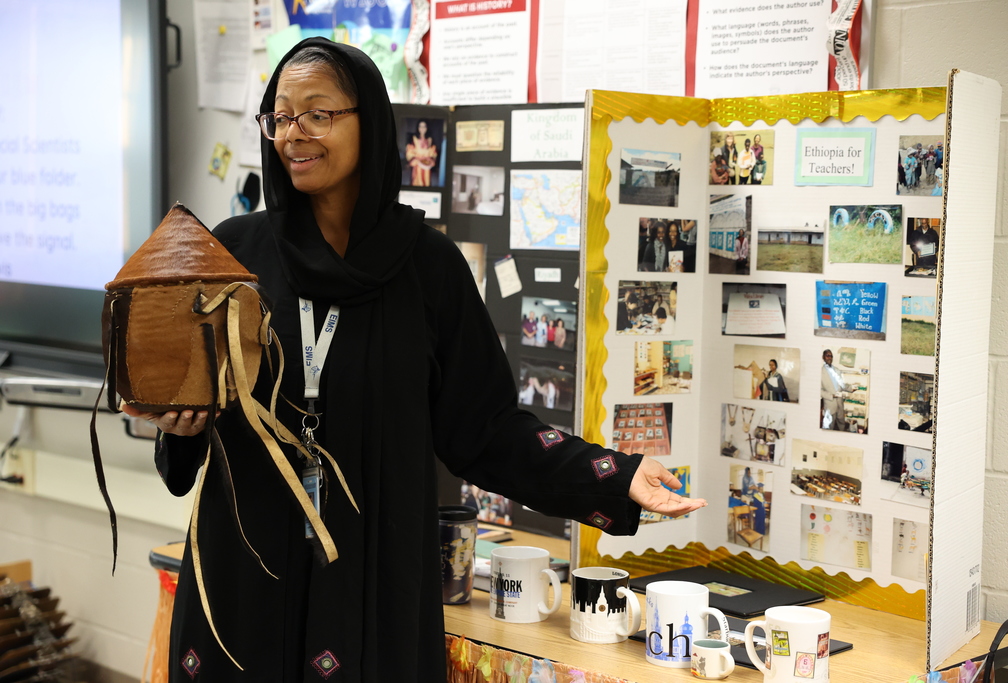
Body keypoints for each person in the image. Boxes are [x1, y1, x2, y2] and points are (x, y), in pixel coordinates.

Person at [122, 39, 707, 682]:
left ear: (369, 121)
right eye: (280, 116)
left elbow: (483, 430)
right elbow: (191, 410)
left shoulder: (427, 268)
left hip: (375, 579)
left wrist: (612, 476)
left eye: (318, 113)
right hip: (248, 573)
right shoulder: (231, 256)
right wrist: (181, 427)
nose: (294, 133)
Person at [821, 349, 854, 431]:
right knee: (829, 426)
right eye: (827, 355)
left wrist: (851, 388)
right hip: (830, 404)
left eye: (831, 356)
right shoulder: (820, 372)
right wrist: (831, 396)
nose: (829, 357)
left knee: (841, 422)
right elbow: (818, 390)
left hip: (839, 402)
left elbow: (842, 385)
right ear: (823, 357)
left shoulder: (837, 370)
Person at [405, 118, 437, 186]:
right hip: (417, 166)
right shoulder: (414, 139)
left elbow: (433, 153)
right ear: (418, 128)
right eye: (420, 126)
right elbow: (409, 152)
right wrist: (417, 160)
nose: (422, 128)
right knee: (416, 183)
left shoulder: (430, 140)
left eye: (424, 126)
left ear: (427, 128)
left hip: (426, 167)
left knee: (426, 182)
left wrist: (430, 160)